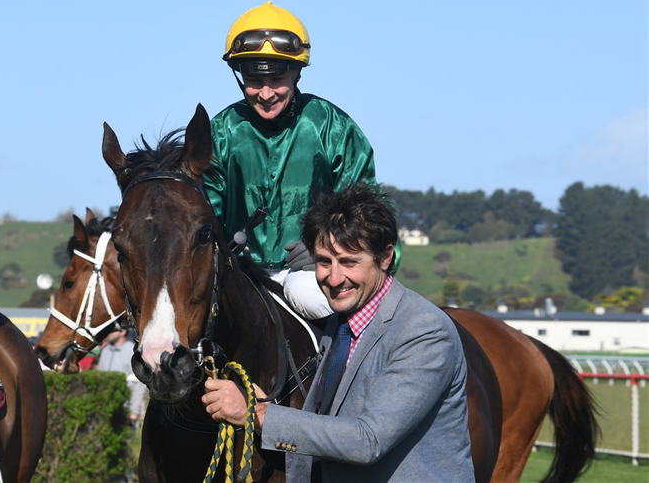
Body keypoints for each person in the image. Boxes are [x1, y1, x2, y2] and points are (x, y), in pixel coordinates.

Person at [202, 183, 474, 482]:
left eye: (349, 262)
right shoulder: (340, 323)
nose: (334, 278)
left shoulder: (424, 330)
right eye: (323, 262)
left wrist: (257, 415)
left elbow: (367, 440)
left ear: (385, 257)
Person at [206, 2, 401, 321]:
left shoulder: (332, 128)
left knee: (306, 292)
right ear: (240, 75)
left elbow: (368, 216)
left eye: (278, 78)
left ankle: (349, 367)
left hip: (312, 275)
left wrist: (324, 250)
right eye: (255, 80)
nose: (266, 94)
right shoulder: (220, 133)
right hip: (237, 274)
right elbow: (201, 211)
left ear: (298, 72)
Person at [97, 328, 146, 424]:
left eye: (112, 330)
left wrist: (134, 411)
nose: (109, 333)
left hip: (124, 409)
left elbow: (139, 383)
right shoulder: (106, 350)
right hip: (102, 407)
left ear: (123, 332)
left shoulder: (132, 351)